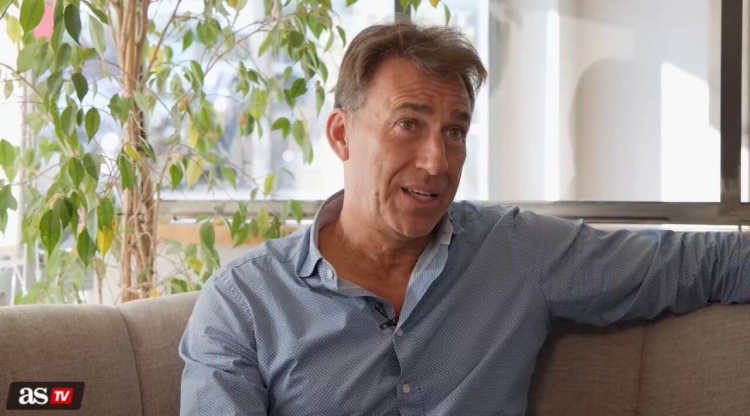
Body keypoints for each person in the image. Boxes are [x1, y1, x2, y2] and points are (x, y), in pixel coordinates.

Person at [179, 21, 750, 415]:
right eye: (408, 123)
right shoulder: (245, 304)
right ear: (340, 134)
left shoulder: (516, 250)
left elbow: (699, 264)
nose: (437, 161)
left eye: (455, 131)